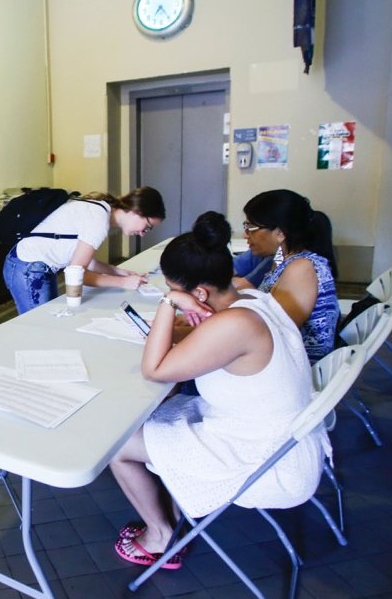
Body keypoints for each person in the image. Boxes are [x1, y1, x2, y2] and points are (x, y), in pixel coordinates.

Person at [108, 212, 329, 570]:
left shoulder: (235, 324)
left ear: (198, 293)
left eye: (174, 288)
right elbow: (208, 341)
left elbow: (155, 370)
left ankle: (160, 537)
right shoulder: (250, 297)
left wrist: (168, 304)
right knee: (167, 411)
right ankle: (174, 510)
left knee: (117, 443)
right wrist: (183, 310)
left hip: (266, 458)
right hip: (282, 437)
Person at [1, 188, 165, 314]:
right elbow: (78, 275)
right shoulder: (99, 221)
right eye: (147, 227)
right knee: (39, 325)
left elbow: (86, 261)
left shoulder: (101, 211)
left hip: (29, 265)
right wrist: (123, 283)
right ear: (138, 212)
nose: (143, 234)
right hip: (28, 268)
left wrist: (122, 273)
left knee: (46, 320)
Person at [236, 189, 339, 363]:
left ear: (280, 233)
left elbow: (275, 331)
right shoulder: (285, 261)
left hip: (293, 368)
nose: (246, 234)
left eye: (251, 227)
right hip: (279, 360)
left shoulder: (301, 268)